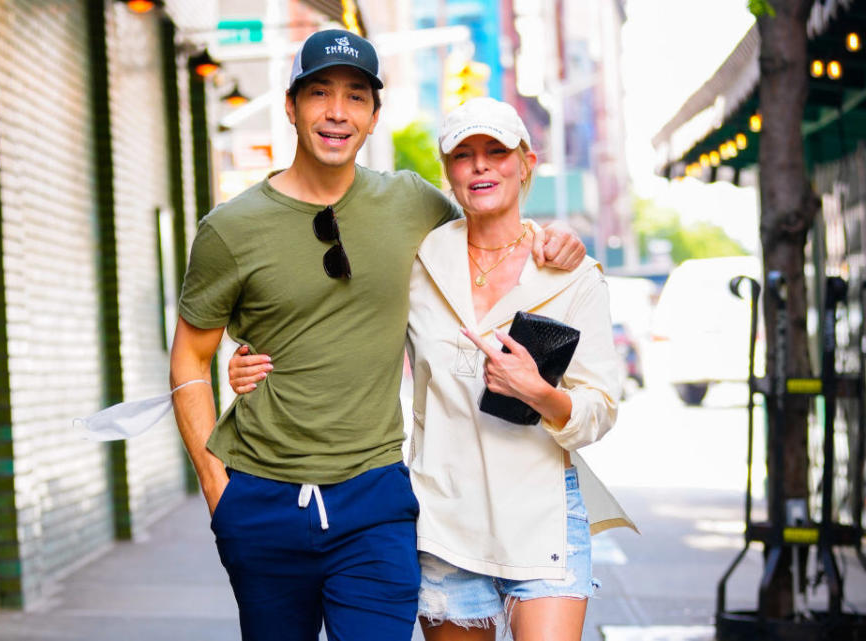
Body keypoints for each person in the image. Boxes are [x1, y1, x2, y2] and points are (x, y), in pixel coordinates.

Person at [171, 29, 586, 641]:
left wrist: (552, 238)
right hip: (260, 498)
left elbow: (489, 234)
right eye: (319, 93)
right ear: (290, 106)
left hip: (376, 499)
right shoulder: (230, 229)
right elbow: (190, 356)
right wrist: (216, 488)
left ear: (372, 116)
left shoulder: (414, 204)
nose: (337, 112)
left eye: (356, 96)